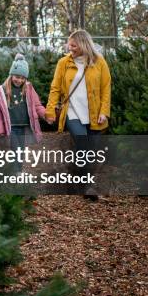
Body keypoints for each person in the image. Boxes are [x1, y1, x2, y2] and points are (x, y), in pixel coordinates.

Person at [45, 30, 111, 198]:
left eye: (74, 45)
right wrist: (50, 110)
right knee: (83, 145)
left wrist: (104, 111)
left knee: (91, 151)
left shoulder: (99, 62)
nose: (70, 48)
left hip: (95, 114)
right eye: (69, 44)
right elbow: (55, 88)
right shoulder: (63, 63)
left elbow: (106, 88)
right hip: (73, 112)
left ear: (83, 44)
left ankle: (78, 179)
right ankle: (86, 187)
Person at [0, 53, 47, 174]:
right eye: (17, 76)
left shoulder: (28, 88)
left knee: (21, 150)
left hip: (23, 126)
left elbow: (37, 105)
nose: (19, 80)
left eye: (23, 78)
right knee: (15, 149)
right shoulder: (1, 91)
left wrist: (45, 114)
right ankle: (15, 173)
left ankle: (17, 172)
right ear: (11, 75)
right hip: (11, 127)